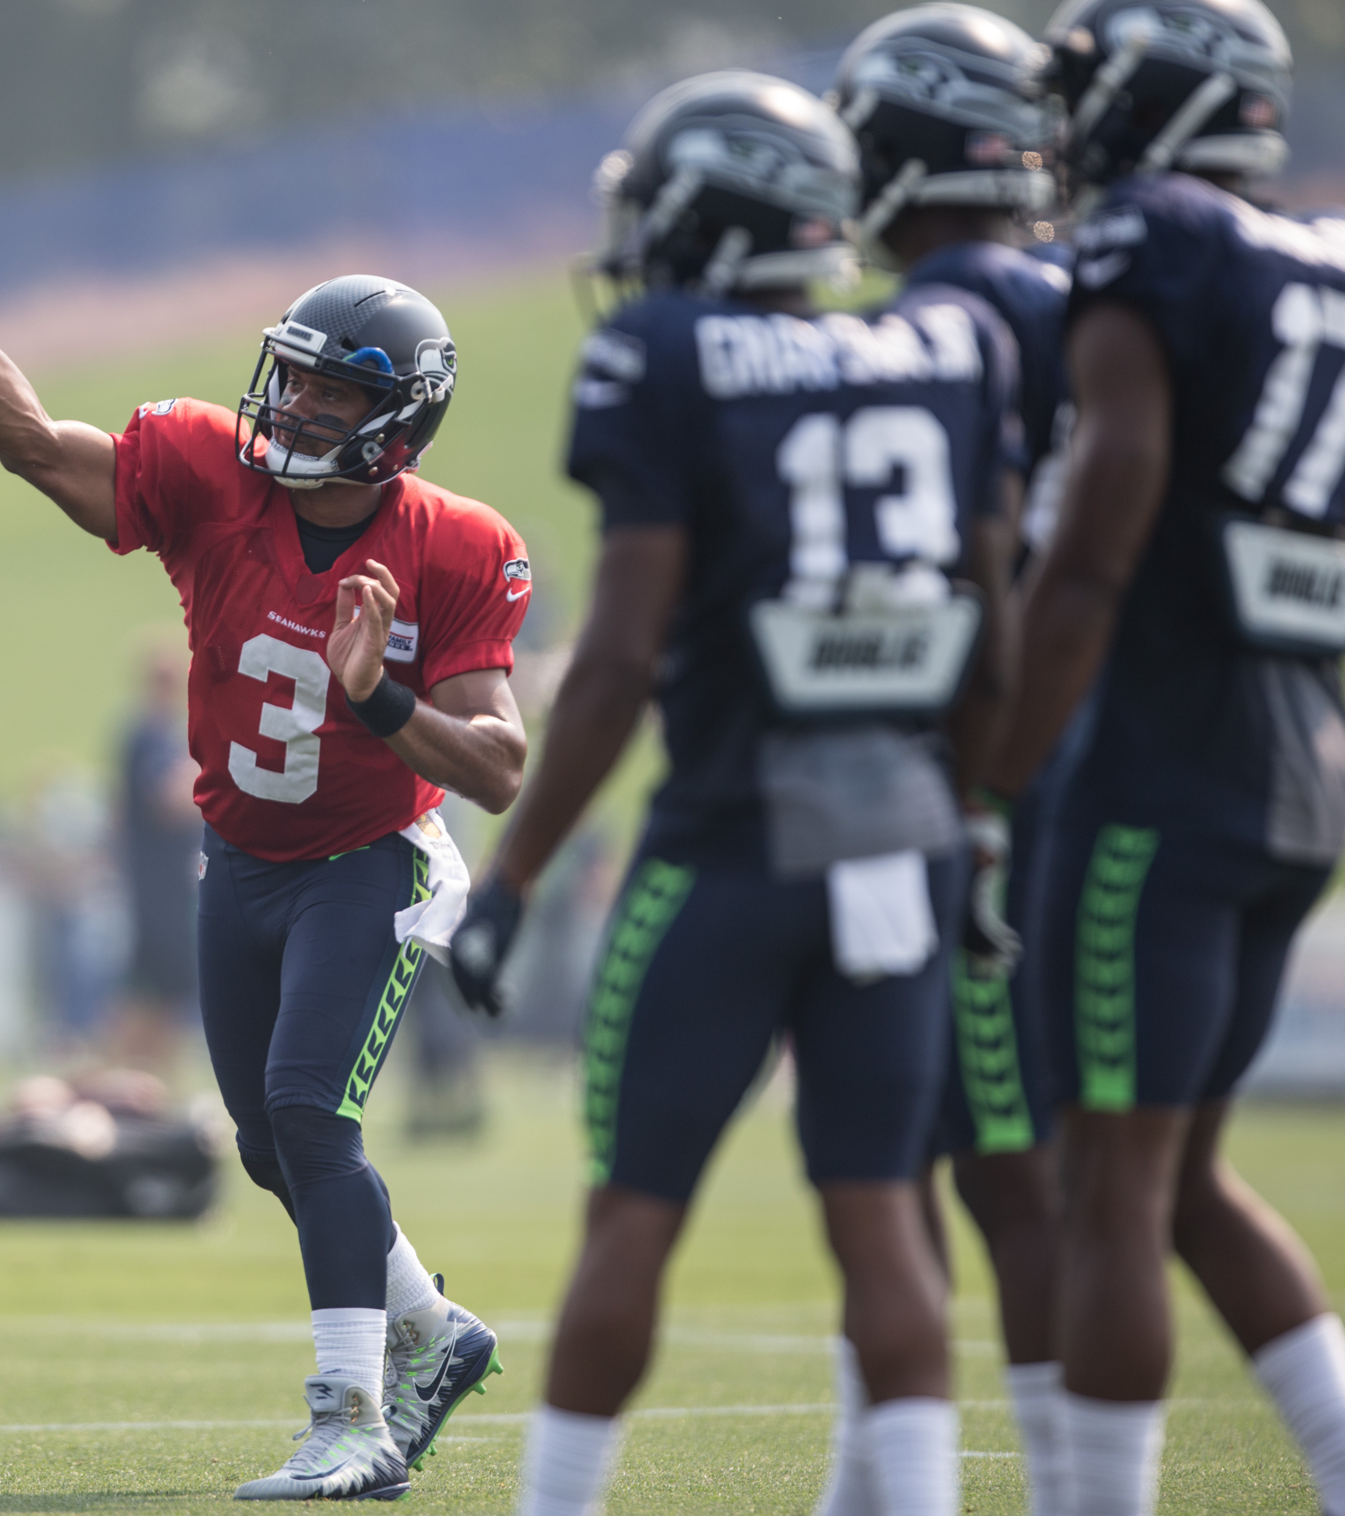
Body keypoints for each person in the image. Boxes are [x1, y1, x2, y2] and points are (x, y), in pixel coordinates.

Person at [0, 228, 528, 1498]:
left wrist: (379, 702)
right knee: (264, 1144)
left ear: (396, 423)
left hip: (368, 854)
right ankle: (436, 1332)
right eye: (294, 378)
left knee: (305, 1114)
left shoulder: (451, 543)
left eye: (334, 393)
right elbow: (33, 445)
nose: (296, 406)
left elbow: (498, 765)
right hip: (241, 855)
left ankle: (352, 1416)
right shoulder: (206, 474)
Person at [449, 70, 1024, 1516]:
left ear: (710, 210)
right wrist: (975, 815)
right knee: (882, 1212)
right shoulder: (945, 343)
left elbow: (626, 650)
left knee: (631, 1216)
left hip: (731, 844)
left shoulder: (665, 350)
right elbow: (991, 626)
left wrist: (511, 878)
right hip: (906, 837)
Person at [983, 1, 1345, 1510]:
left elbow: (1105, 516)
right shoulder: (1322, 261)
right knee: (1179, 1176)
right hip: (1294, 765)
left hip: (1158, 766)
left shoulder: (1160, 237)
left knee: (1102, 1185)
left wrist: (991, 774)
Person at [823, 9, 1072, 1512]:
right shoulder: (1059, 293)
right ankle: (871, 1483)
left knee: (984, 1161)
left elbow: (991, 573)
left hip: (991, 770)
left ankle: (1068, 1486)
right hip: (1062, 752)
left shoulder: (956, 312)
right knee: (907, 1150)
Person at [109, 644, 203, 1072]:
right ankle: (131, 1074)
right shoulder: (147, 736)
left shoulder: (175, 736)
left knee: (166, 991)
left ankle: (151, 1080)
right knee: (150, 989)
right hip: (155, 887)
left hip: (173, 886)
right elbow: (168, 800)